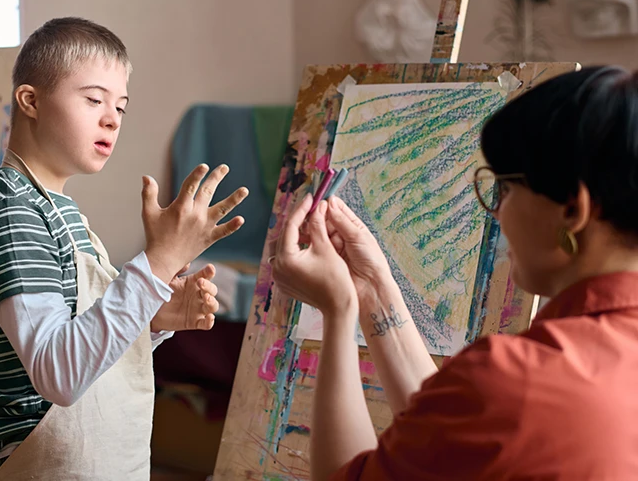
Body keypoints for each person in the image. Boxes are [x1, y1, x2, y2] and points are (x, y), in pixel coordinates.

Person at [271, 66, 638, 480]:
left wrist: (339, 310)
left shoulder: (522, 383)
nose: (495, 211)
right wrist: (372, 288)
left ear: (572, 209)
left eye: (506, 189)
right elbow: (452, 437)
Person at [0, 17, 248, 480]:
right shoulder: (13, 215)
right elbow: (59, 374)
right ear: (30, 100)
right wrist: (159, 263)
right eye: (93, 99)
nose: (111, 118)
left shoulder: (59, 209)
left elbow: (81, 340)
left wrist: (151, 318)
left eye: (121, 107)